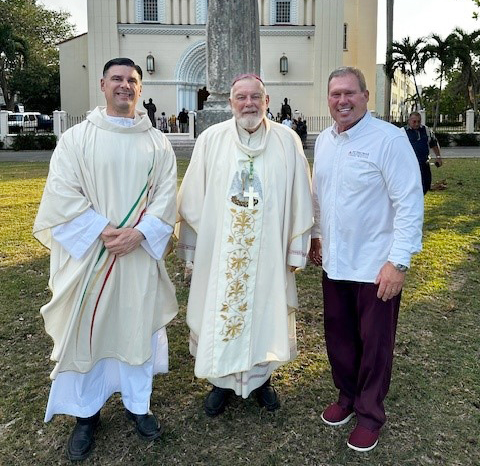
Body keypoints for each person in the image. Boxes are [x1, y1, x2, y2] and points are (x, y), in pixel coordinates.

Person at [33, 58, 178, 461]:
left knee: (136, 327)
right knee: (89, 332)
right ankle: (85, 413)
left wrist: (141, 234)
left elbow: (166, 196)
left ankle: (138, 405)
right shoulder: (77, 139)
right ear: (102, 84)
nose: (124, 86)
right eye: (117, 79)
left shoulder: (158, 143)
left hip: (136, 256)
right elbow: (62, 193)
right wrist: (102, 229)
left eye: (132, 80)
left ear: (141, 88)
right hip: (91, 258)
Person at [176, 74, 313, 417]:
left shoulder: (287, 141)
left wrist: (296, 247)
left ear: (267, 101)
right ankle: (220, 384)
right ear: (231, 103)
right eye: (241, 97)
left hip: (269, 252)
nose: (248, 103)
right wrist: (193, 251)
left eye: (256, 97)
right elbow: (194, 198)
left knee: (266, 313)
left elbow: (300, 196)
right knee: (219, 313)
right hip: (220, 253)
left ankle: (262, 380)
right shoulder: (211, 140)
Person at [309, 66, 423, 453]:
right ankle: (347, 397)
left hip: (376, 266)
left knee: (375, 344)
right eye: (335, 94)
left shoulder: (388, 140)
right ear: (328, 99)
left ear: (365, 96)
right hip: (335, 261)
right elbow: (319, 196)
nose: (342, 101)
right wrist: (315, 237)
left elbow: (409, 203)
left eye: (349, 93)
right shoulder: (324, 140)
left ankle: (370, 413)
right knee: (339, 336)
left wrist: (399, 262)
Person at [403, 111, 442, 194]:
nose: (417, 124)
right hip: (409, 165)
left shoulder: (426, 130)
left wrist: (438, 157)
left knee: (426, 184)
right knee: (411, 187)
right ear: (409, 121)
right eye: (414, 121)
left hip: (424, 164)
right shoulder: (402, 132)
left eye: (418, 121)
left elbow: (433, 143)